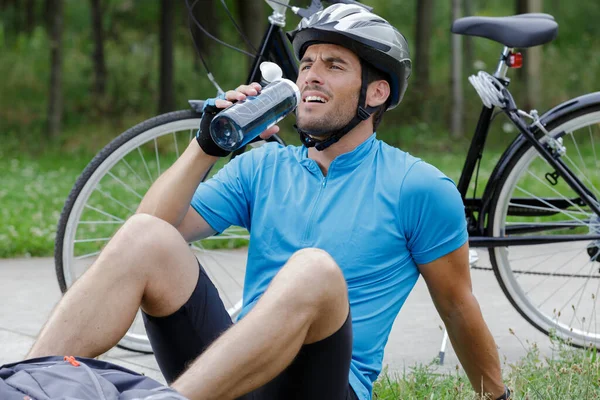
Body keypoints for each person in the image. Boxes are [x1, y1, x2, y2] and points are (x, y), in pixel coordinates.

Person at [28, 4, 510, 400]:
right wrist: (207, 146)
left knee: (313, 270)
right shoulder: (263, 168)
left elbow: (457, 306)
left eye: (334, 65)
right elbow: (148, 237)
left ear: (376, 92)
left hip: (322, 386)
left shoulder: (418, 187)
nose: (311, 77)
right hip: (229, 377)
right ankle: (23, 387)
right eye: (308, 64)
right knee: (144, 236)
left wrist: (497, 397)